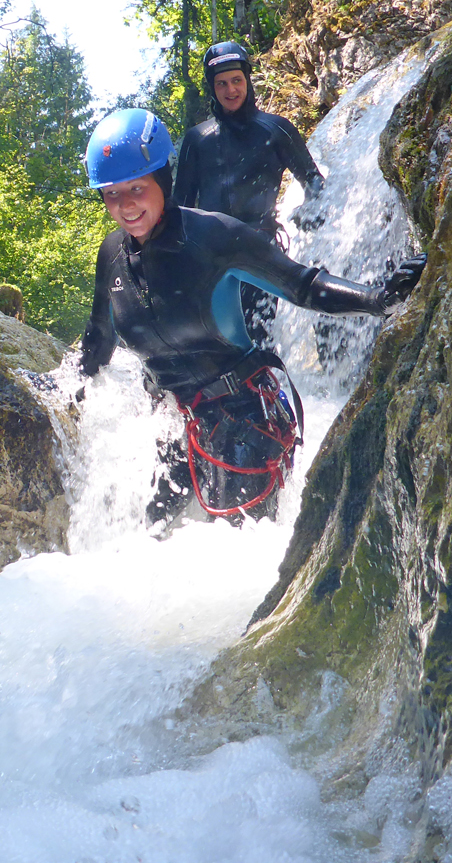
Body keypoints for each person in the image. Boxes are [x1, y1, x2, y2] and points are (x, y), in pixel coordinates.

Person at [79, 108, 425, 523]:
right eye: (112, 194)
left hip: (244, 422)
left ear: (162, 180)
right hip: (172, 429)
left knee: (231, 560)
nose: (125, 205)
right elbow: (99, 339)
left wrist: (377, 299)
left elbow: (303, 285)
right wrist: (67, 388)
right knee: (149, 545)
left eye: (136, 188)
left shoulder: (214, 236)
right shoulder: (112, 255)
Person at [174, 41, 328, 349]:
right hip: (209, 253)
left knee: (260, 340)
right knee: (214, 342)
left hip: (261, 248)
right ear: (212, 88)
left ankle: (265, 392)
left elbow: (313, 181)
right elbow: (179, 207)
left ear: (248, 80)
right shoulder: (197, 140)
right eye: (221, 83)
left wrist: (314, 212)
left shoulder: (276, 130)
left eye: (236, 81)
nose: (230, 90)